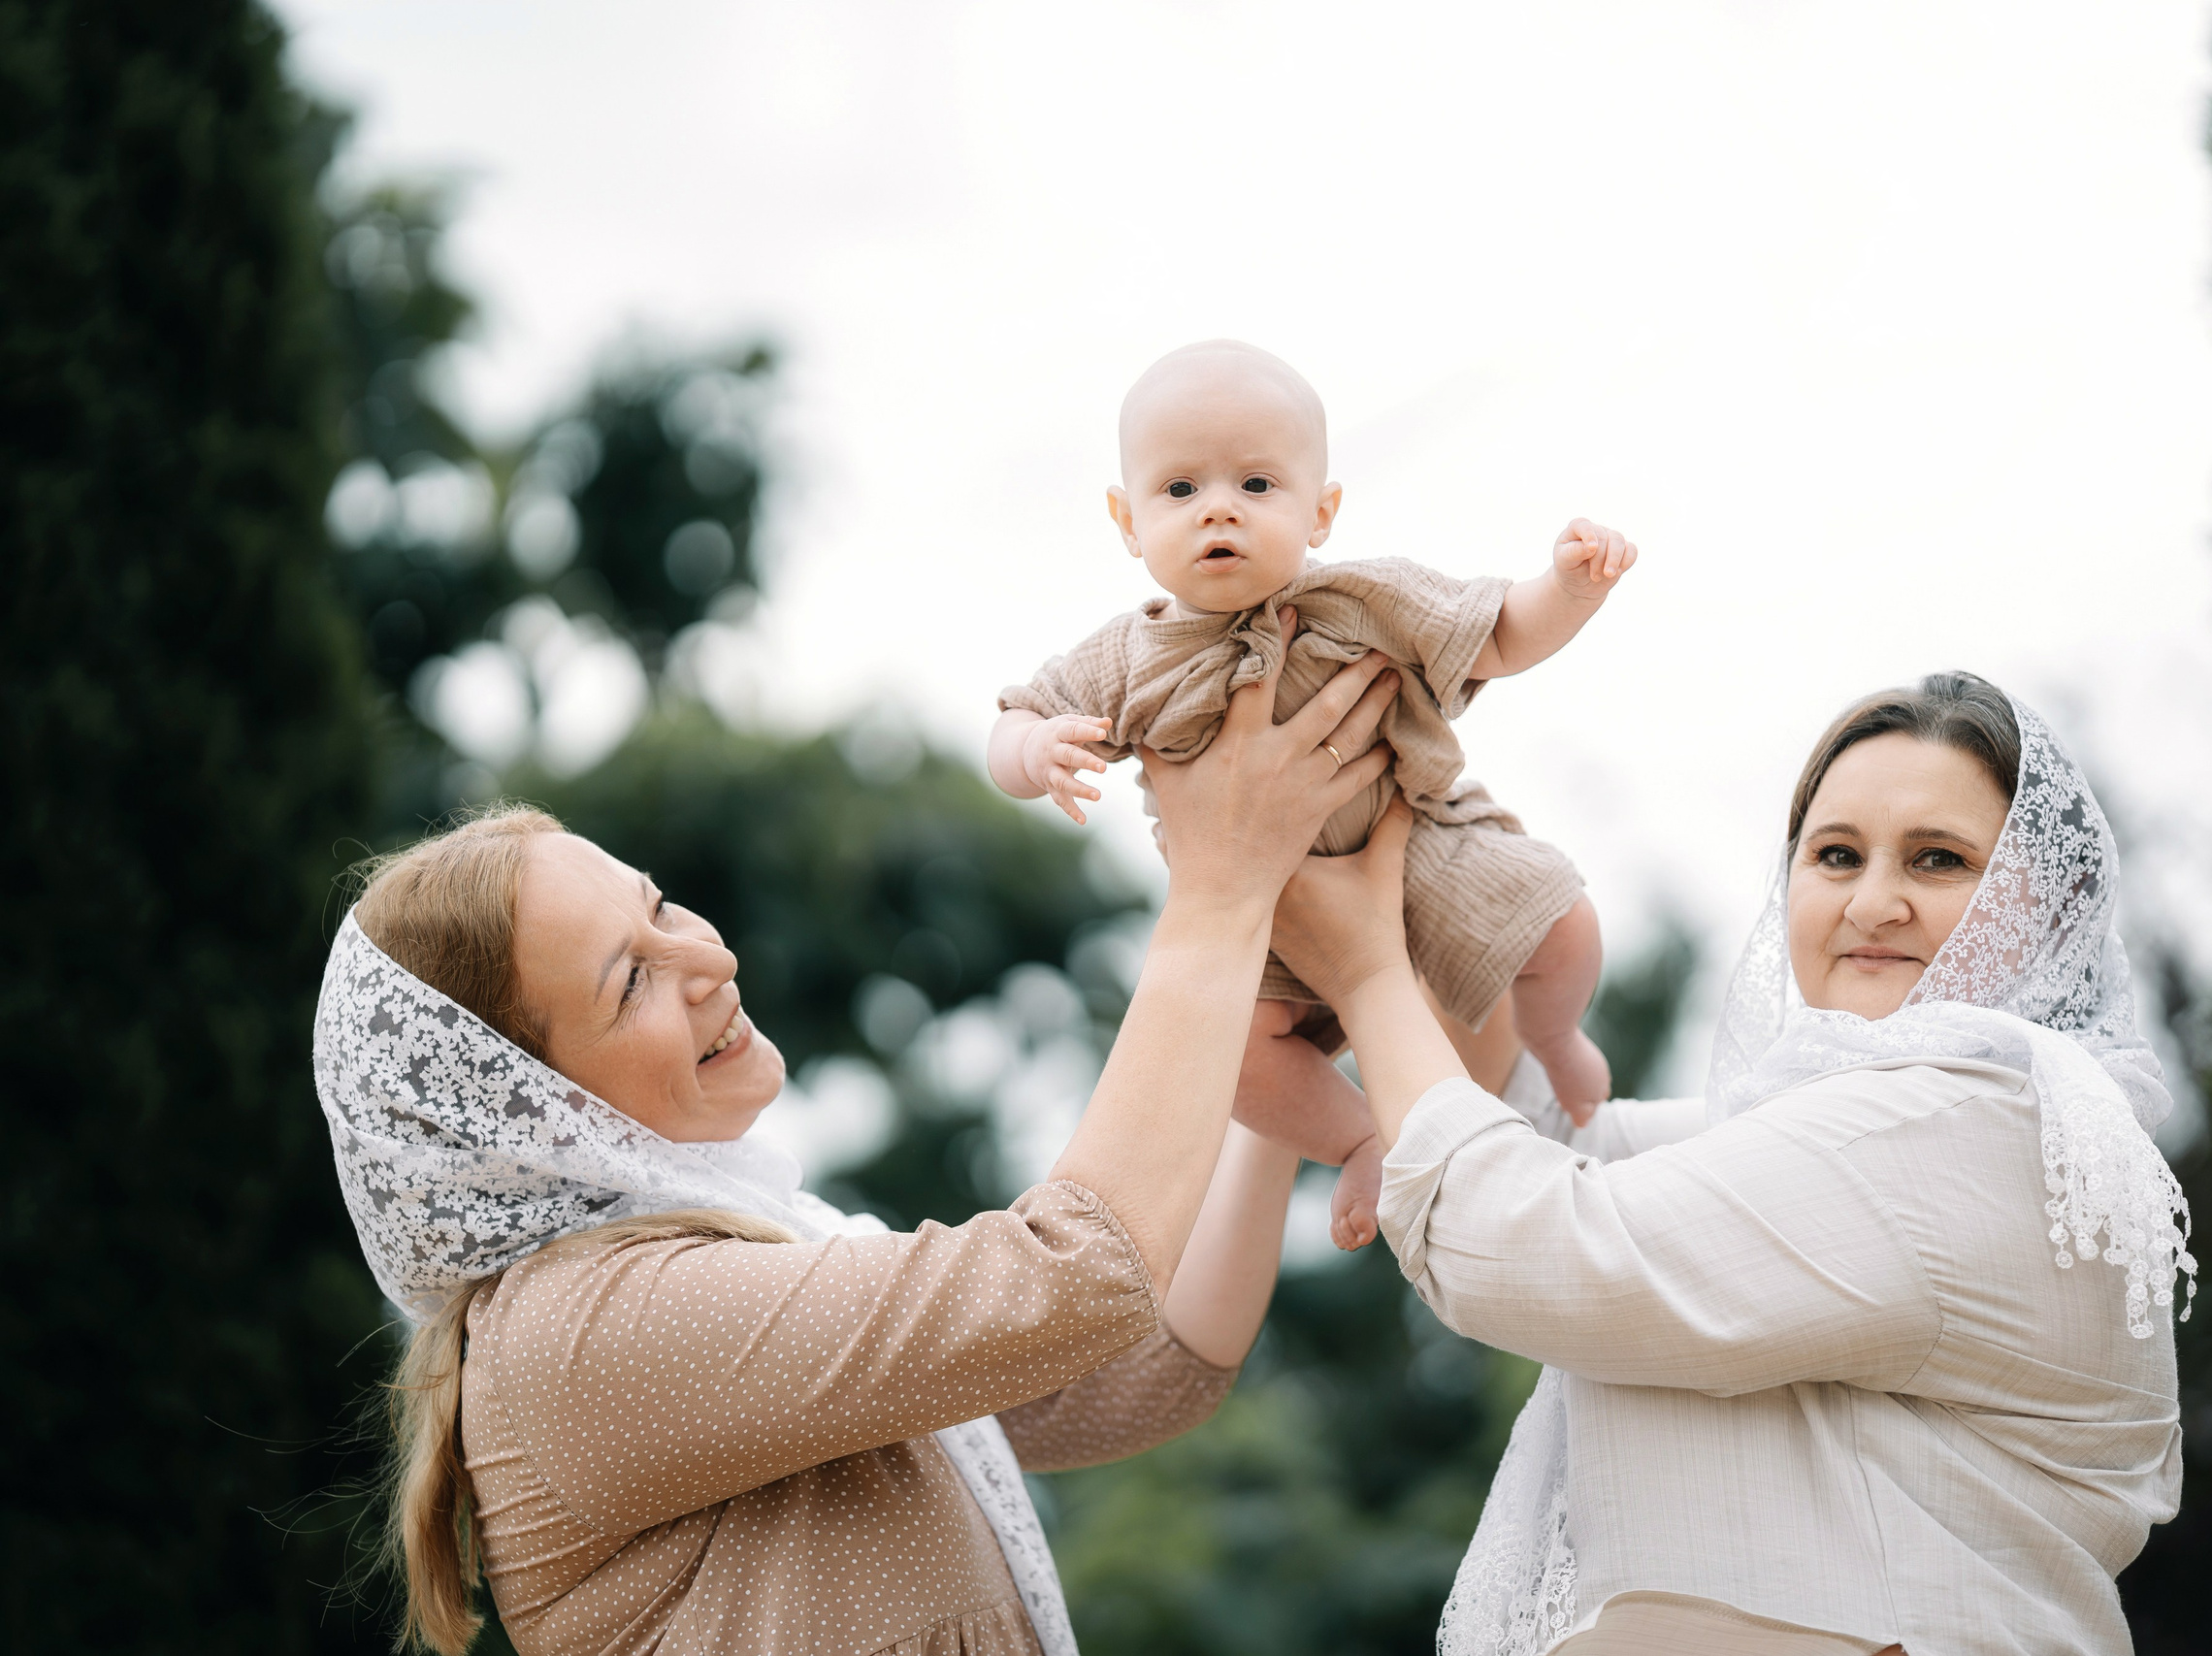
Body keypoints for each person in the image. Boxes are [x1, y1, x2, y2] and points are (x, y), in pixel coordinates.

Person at [315, 624, 1399, 1656]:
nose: (707, 961)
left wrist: (1273, 1063)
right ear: (528, 1117)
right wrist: (1218, 891)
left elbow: (1139, 1372)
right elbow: (1072, 1284)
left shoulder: (761, 1253)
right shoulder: (574, 1337)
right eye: (631, 979)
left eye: (662, 908)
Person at [1266, 671, 2194, 1655]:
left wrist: (1368, 969)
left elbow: (1533, 1241)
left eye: (1939, 860)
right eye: (1836, 855)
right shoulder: (1914, 1118)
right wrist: (1450, 873)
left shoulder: (1971, 1120)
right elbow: (1540, 1147)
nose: (1874, 903)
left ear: (2049, 910)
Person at [989, 338, 1637, 1249]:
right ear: (1127, 520)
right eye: (1180, 490)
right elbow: (1018, 715)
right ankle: (1361, 1136)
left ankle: (1556, 1032)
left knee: (1566, 924)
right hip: (1263, 913)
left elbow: (1495, 634)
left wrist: (1569, 589)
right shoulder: (1122, 658)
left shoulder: (1363, 598)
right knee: (1235, 1065)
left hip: (1424, 843)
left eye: (1256, 485)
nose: (1218, 508)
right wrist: (1035, 751)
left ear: (1321, 510)